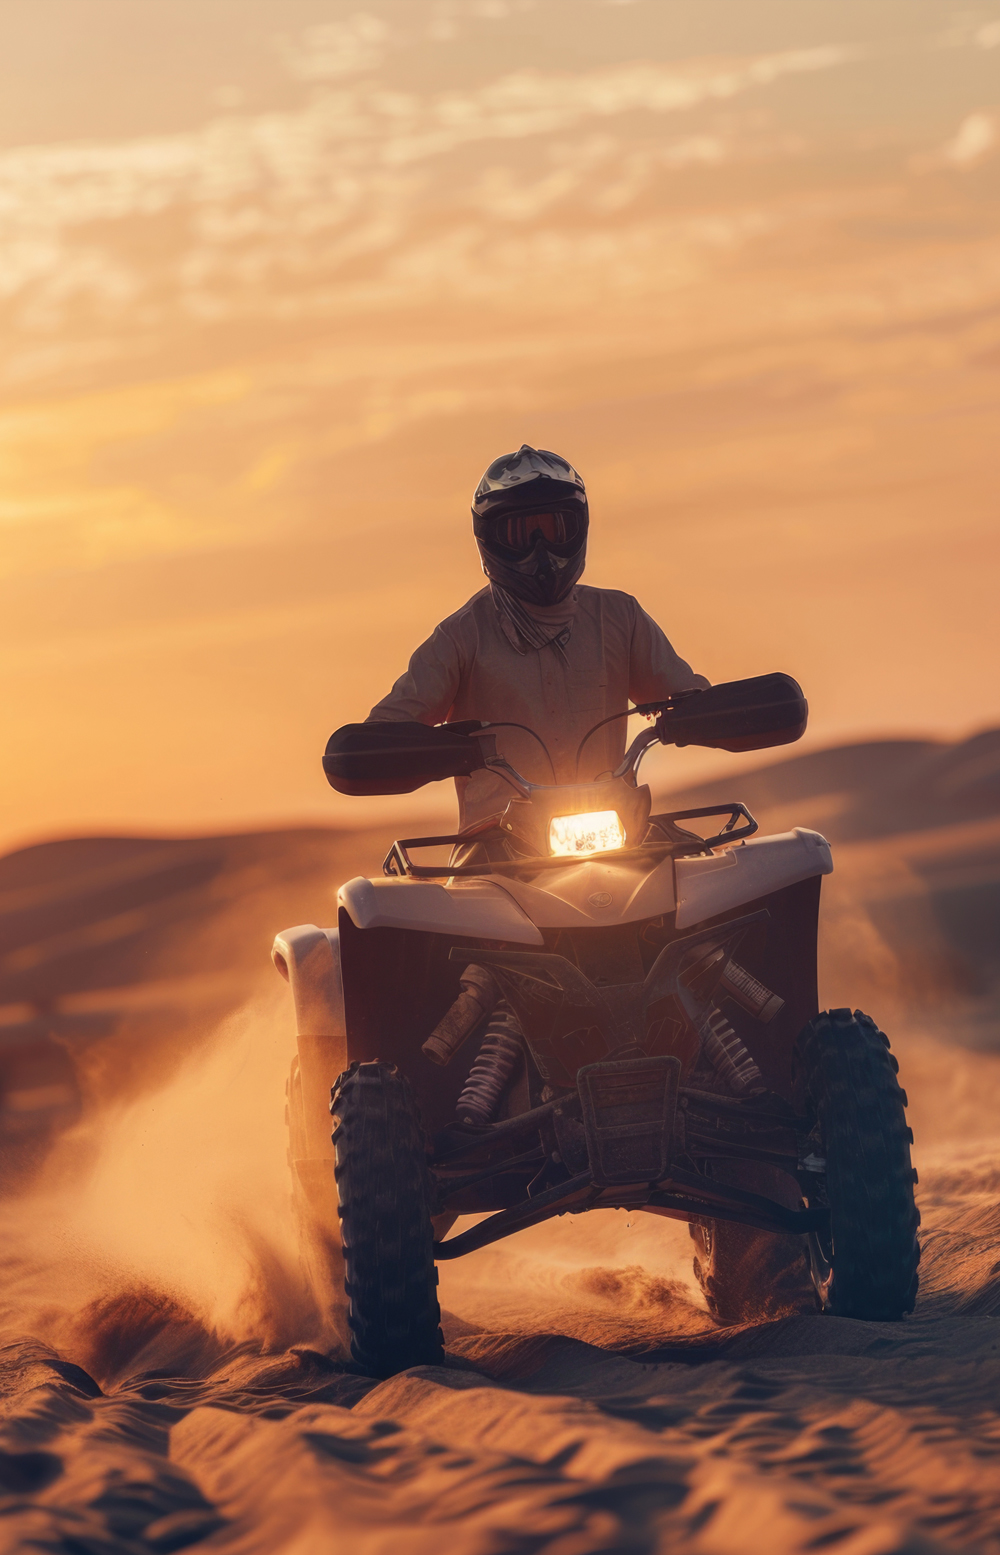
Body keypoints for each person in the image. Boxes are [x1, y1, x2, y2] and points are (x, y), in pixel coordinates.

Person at [366, 444, 709, 835]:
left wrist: (717, 713)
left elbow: (687, 696)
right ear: (489, 539)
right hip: (494, 844)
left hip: (614, 827)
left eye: (554, 529)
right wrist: (383, 751)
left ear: (579, 528)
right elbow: (387, 733)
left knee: (707, 863)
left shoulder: (619, 617)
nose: (541, 549)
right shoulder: (460, 637)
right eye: (520, 535)